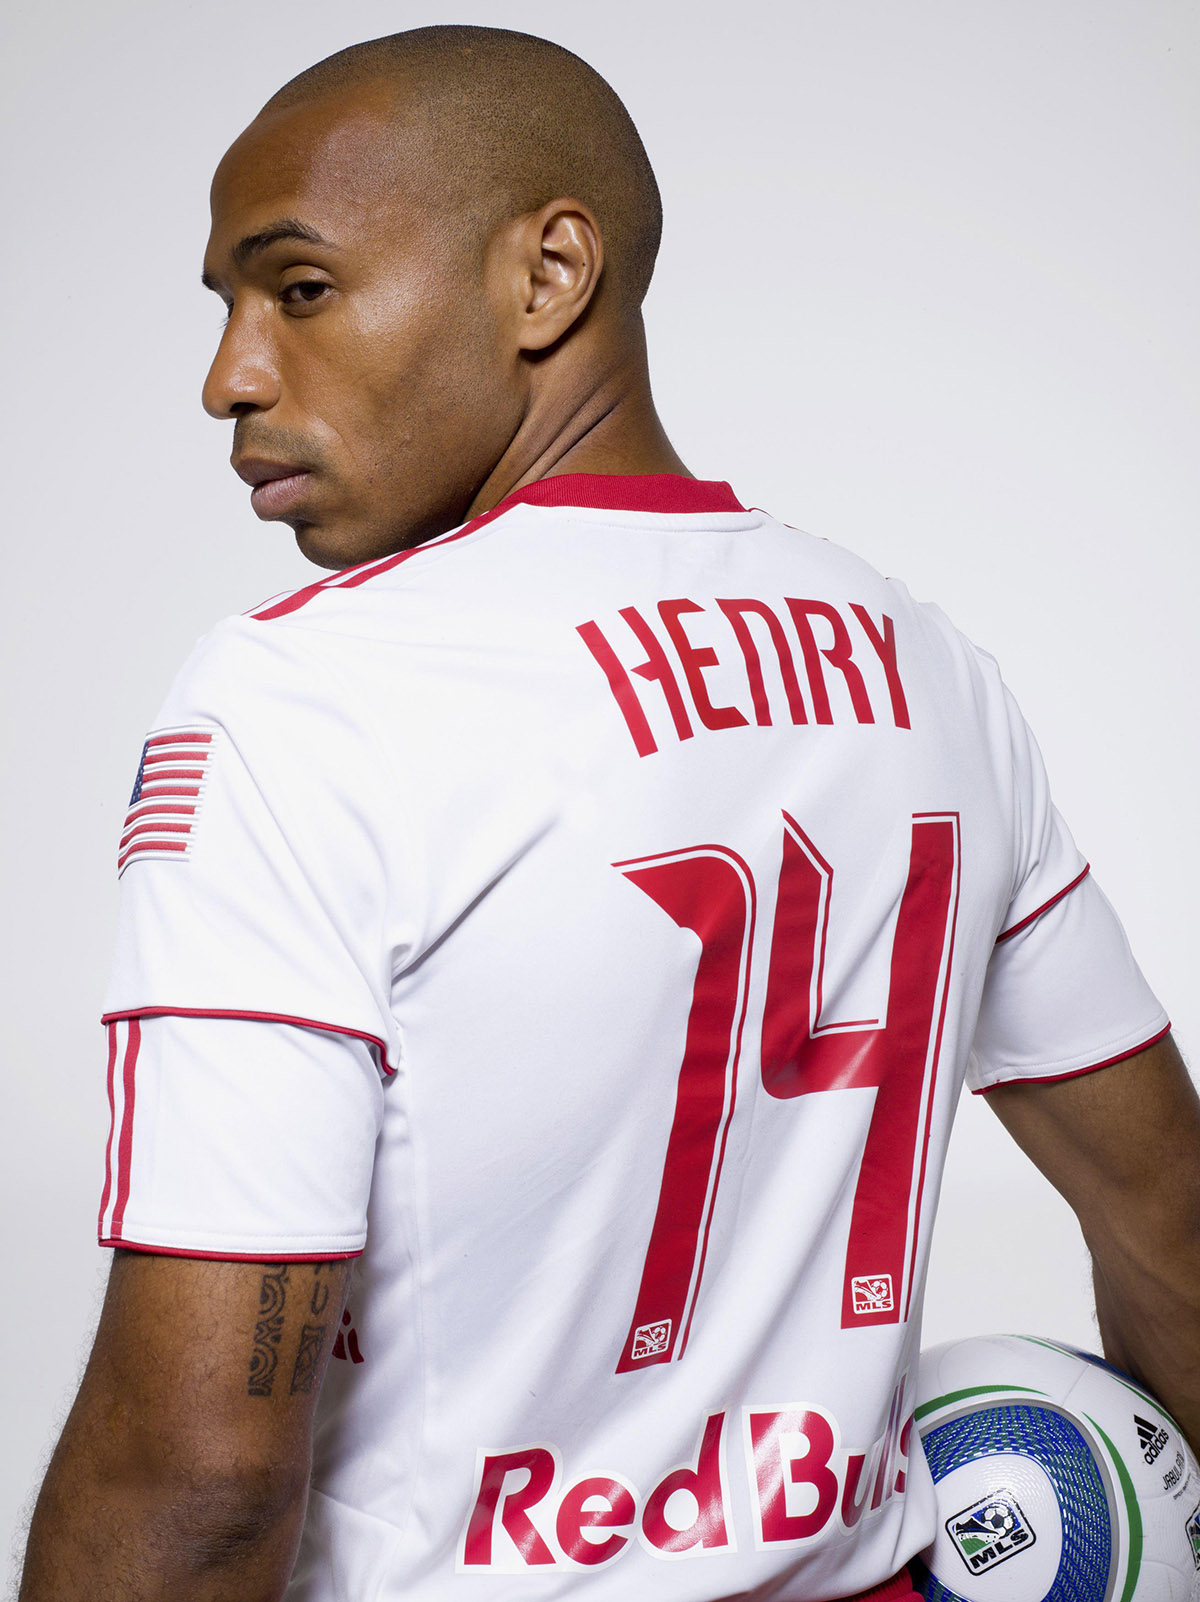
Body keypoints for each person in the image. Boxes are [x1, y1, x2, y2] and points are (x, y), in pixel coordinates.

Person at [17, 24, 1200, 1602]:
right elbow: (1170, 1216)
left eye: (297, 288)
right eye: (227, 307)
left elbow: (200, 1480)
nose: (229, 374)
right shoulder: (929, 670)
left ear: (550, 275)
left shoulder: (307, 701)